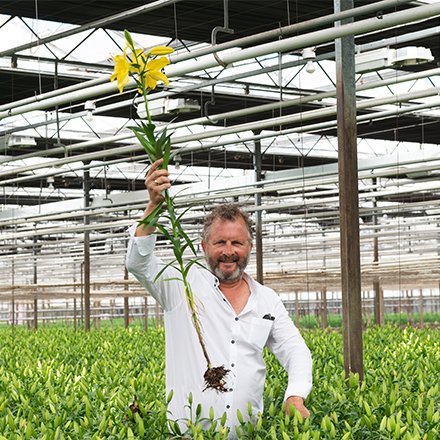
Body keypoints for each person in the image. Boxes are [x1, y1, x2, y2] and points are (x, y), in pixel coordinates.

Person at [126, 158, 312, 436]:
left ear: (249, 246)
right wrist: (154, 206)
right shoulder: (180, 283)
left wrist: (295, 395)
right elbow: (138, 263)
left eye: (237, 242)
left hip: (248, 434)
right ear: (203, 245)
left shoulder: (266, 299)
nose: (228, 251)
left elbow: (295, 350)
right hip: (189, 433)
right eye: (220, 242)